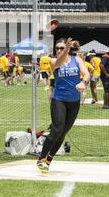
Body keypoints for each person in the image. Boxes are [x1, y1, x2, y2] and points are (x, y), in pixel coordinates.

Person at [37, 38, 90, 173]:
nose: (59, 50)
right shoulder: (53, 61)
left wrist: (84, 82)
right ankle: (41, 158)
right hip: (59, 100)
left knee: (63, 133)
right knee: (57, 130)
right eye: (57, 48)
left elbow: (87, 73)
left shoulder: (76, 59)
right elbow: (59, 61)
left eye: (62, 47)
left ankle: (48, 161)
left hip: (74, 101)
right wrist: (66, 49)